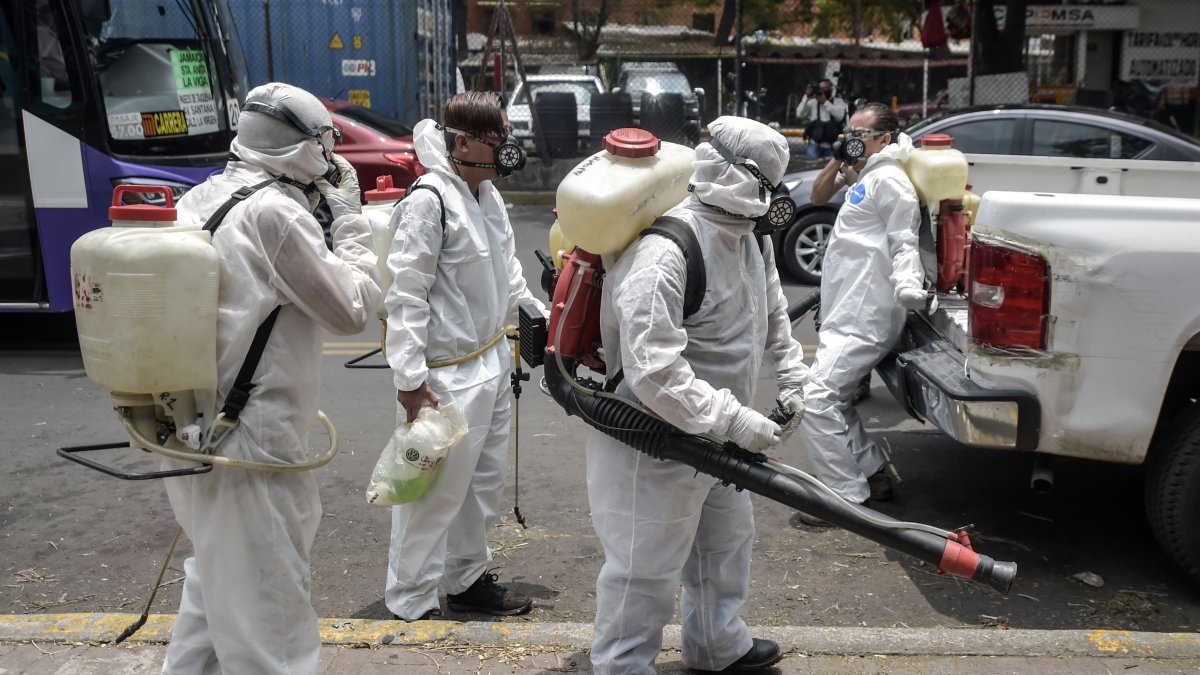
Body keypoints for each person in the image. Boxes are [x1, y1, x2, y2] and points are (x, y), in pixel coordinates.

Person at [161, 82, 382, 674]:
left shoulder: (207, 195)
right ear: (308, 149)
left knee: (212, 596)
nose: (332, 159)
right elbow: (351, 310)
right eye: (326, 145)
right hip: (250, 442)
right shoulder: (275, 214)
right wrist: (352, 225)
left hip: (191, 426)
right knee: (272, 624)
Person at [586, 116, 810, 674]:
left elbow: (772, 313)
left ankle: (716, 643)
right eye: (764, 182)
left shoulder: (748, 240)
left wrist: (792, 377)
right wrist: (734, 420)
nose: (768, 199)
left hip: (718, 435)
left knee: (726, 543)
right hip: (653, 442)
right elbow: (652, 370)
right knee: (645, 565)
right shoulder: (666, 251)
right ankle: (622, 665)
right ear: (733, 176)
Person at [383, 91, 547, 621]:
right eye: (497, 141)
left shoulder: (486, 195)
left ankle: (467, 578)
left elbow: (508, 268)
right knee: (431, 491)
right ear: (462, 143)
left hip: (492, 360)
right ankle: (410, 598)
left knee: (480, 485)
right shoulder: (428, 202)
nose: (507, 152)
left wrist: (535, 313)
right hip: (446, 375)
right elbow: (405, 294)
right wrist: (409, 380)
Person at [793, 102, 925, 525]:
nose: (850, 139)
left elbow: (905, 242)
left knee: (815, 399)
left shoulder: (891, 182)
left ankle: (843, 496)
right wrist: (842, 154)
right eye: (847, 132)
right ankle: (873, 473)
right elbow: (817, 195)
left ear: (884, 140)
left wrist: (908, 286)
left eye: (860, 134)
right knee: (833, 397)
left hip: (865, 315)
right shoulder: (867, 176)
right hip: (847, 309)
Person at [798, 79, 848, 160]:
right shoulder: (813, 102)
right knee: (811, 167)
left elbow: (840, 117)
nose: (823, 90)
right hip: (814, 144)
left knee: (830, 170)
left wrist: (825, 102)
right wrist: (806, 96)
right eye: (821, 88)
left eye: (826, 88)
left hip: (833, 144)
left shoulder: (838, 101)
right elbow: (799, 114)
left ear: (831, 89)